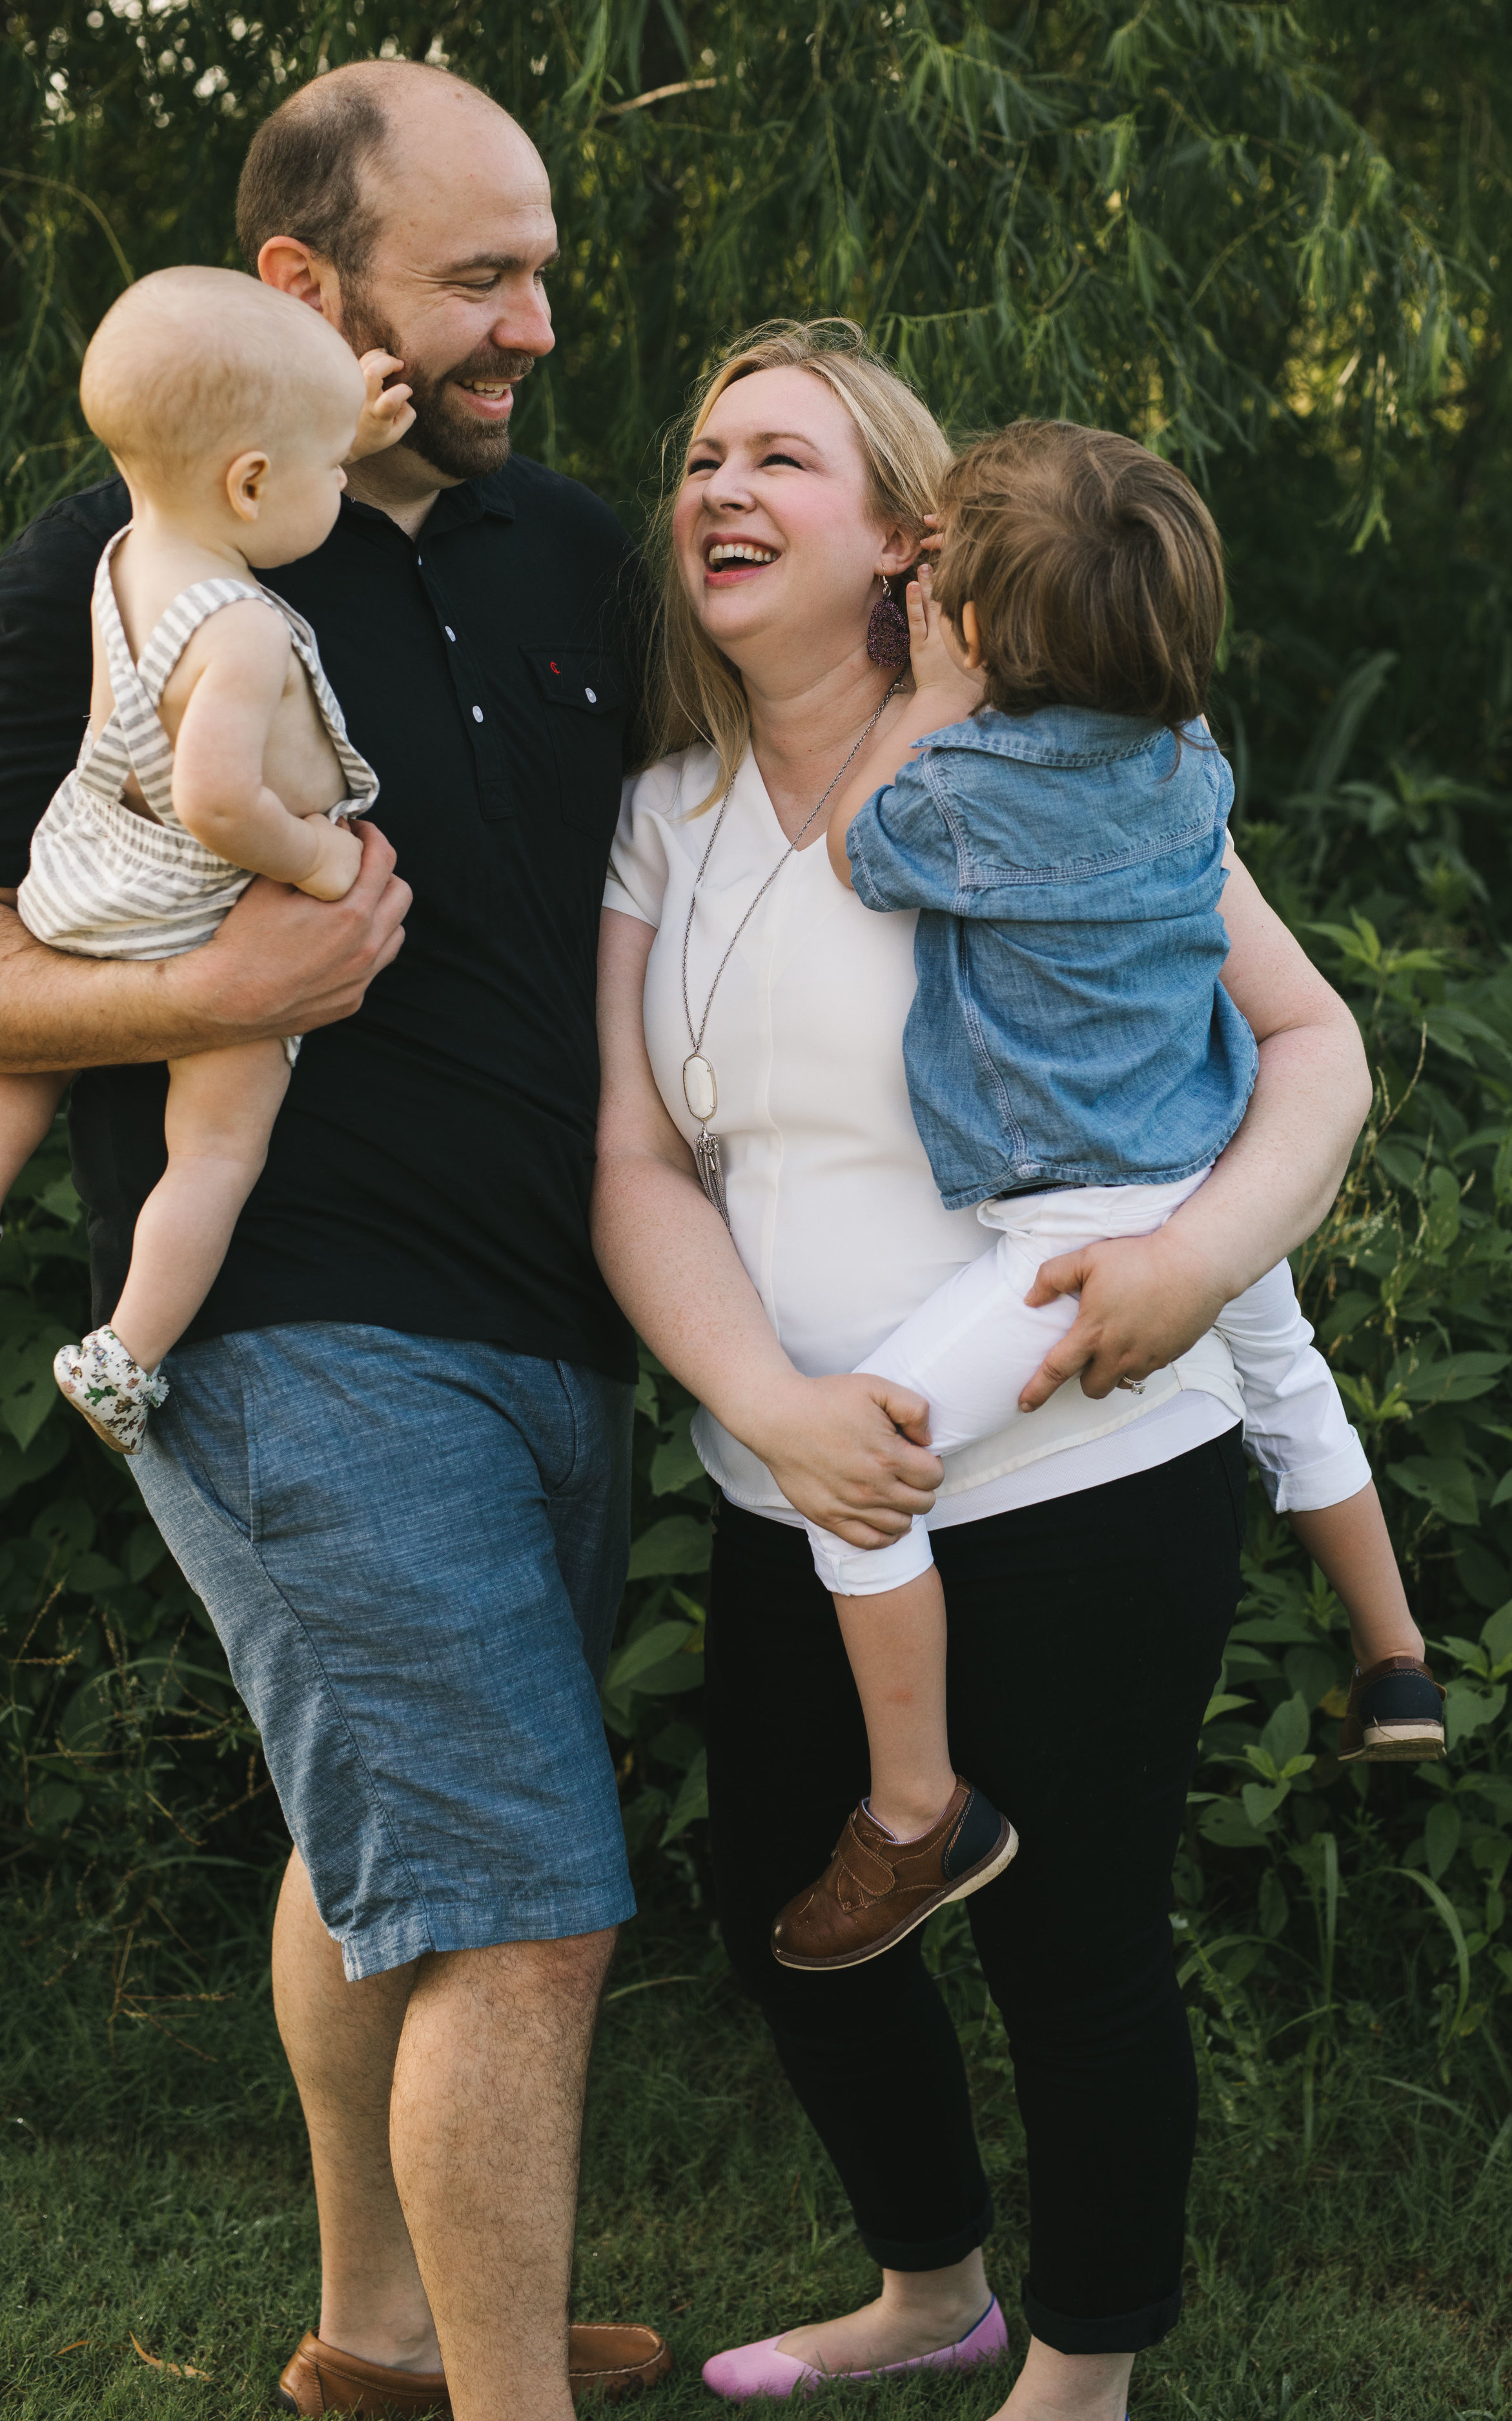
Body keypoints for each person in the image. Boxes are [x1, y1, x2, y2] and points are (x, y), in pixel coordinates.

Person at [591, 320, 1374, 2421]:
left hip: (1091, 1470)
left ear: (902, 541)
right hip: (812, 1488)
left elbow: (1313, 1046)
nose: (724, 484)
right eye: (703, 451)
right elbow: (635, 1155)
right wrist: (766, 1405)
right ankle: (933, 2287)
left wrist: (1198, 1255)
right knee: (801, 1922)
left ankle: (1085, 2368)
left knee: (1075, 1949)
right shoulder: (667, 817)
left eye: (785, 456)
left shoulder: (1067, 763)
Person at [0, 60, 669, 2421]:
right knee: (523, 1896)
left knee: (383, 1837)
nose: (539, 327)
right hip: (287, 1325)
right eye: (483, 278)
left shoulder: (576, 547)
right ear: (309, 289)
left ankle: (384, 2328)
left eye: (545, 270)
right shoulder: (123, 560)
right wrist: (212, 991)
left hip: (565, 1327)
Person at [765, 420, 1443, 1969]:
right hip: (1209, 1175)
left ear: (984, 627)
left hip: (1078, 1227)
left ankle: (916, 1808)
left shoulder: (965, 796)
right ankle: (1396, 1658)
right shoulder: (1184, 761)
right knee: (1293, 1394)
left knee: (858, 1466)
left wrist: (926, 702)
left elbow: (855, 857)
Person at [3, 268, 413, 1453]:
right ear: (251, 480)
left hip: (89, 861)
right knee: (217, 1149)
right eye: (336, 470)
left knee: (23, 1071)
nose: (345, 483)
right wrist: (319, 864)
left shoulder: (132, 551)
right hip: (199, 897)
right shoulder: (238, 626)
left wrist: (340, 427)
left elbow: (249, 490)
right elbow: (219, 798)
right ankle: (124, 1355)